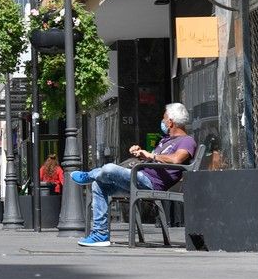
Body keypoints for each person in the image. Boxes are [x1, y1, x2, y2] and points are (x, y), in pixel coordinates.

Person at [72, 103, 197, 247]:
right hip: (139, 177)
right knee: (99, 185)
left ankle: (91, 174)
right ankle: (100, 235)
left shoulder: (187, 141)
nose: (162, 122)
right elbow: (153, 160)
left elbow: (176, 159)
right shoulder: (165, 140)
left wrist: (150, 156)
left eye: (164, 118)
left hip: (151, 183)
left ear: (170, 122)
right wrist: (140, 154)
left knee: (109, 168)